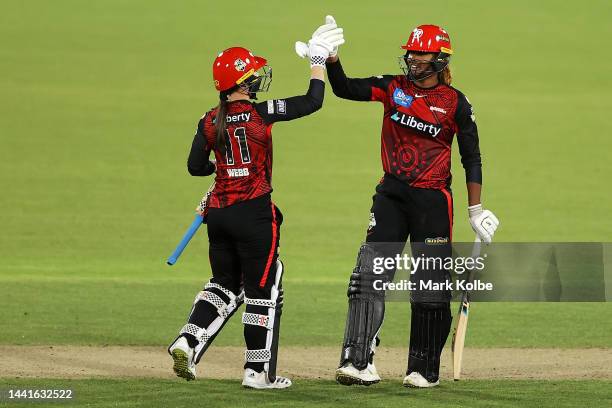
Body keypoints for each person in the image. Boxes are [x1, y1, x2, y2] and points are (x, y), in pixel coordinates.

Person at [302, 23, 499, 387]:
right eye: (410, 52)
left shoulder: (456, 103)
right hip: (391, 195)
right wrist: (330, 60)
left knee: (429, 285)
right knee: (368, 276)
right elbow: (345, 89)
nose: (412, 59)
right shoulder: (394, 87)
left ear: (439, 60)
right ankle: (357, 361)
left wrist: (476, 210)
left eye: (420, 54)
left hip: (433, 202)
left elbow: (472, 157)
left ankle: (423, 369)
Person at [168, 22, 344, 390]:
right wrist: (317, 63)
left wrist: (224, 174)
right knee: (263, 289)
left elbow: (194, 167)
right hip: (255, 217)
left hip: (218, 214)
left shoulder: (207, 122)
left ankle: (188, 339)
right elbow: (313, 101)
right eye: (252, 74)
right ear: (244, 83)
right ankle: (256, 373)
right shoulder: (262, 114)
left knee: (224, 284)